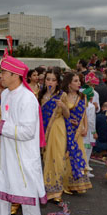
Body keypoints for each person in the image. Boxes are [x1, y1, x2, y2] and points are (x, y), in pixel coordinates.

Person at [0, 54, 47, 215]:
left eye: (4, 72)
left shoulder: (28, 99)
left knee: (26, 194)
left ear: (15, 75)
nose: (0, 76)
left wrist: (1, 125)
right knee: (0, 192)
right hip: (6, 153)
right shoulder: (5, 94)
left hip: (23, 156)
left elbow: (28, 132)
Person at [61, 72, 92, 194]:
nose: (79, 83)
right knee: (66, 156)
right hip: (65, 130)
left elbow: (84, 113)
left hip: (77, 131)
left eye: (79, 81)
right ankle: (65, 183)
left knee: (76, 155)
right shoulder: (63, 96)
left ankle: (76, 184)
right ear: (69, 84)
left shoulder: (82, 97)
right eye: (75, 81)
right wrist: (68, 121)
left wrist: (85, 127)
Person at [39, 68, 67, 202]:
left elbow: (67, 115)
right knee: (46, 158)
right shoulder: (40, 95)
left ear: (57, 82)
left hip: (58, 129)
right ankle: (46, 187)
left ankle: (57, 191)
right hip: (44, 130)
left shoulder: (62, 95)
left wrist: (63, 106)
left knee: (58, 158)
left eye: (53, 80)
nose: (50, 82)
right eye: (48, 79)